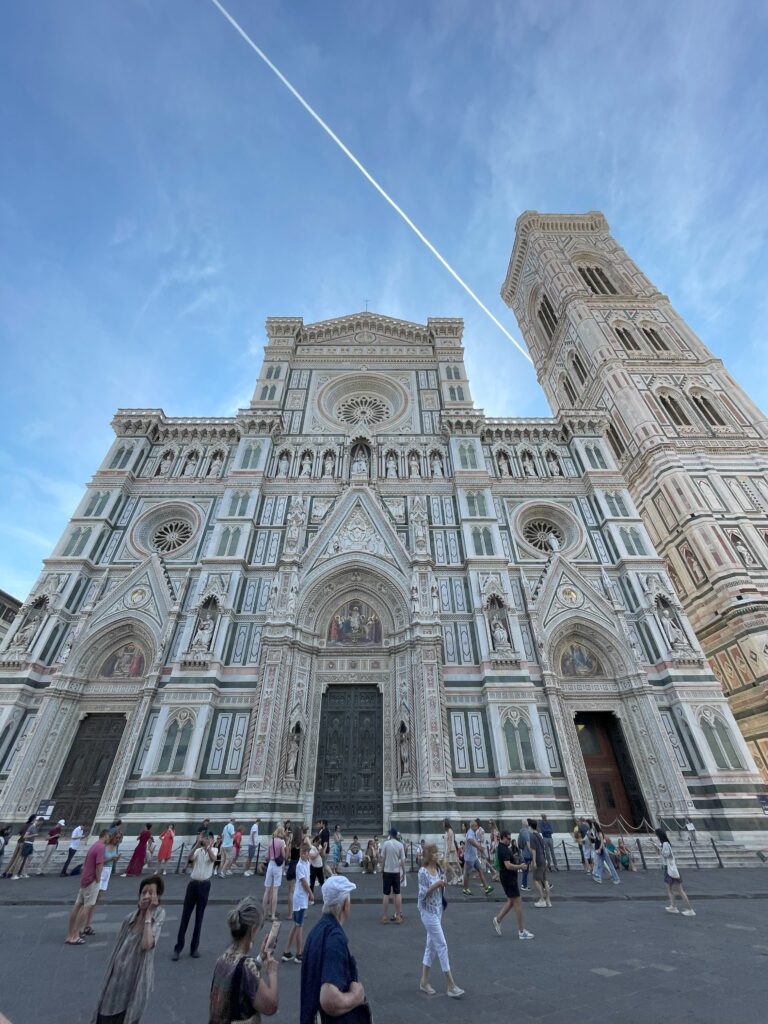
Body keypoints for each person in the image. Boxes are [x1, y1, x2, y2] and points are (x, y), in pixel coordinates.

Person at [92, 875, 165, 1023]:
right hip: (116, 979)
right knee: (104, 1015)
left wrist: (148, 914)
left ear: (157, 897)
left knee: (128, 1017)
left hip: (136, 982)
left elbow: (147, 944)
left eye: (151, 893)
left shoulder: (158, 916)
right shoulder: (129, 918)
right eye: (143, 892)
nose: (146, 896)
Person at [300, 875, 368, 1024]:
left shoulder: (315, 931)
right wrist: (356, 997)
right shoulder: (335, 938)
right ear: (345, 904)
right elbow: (329, 999)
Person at [210, 896, 279, 1023]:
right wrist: (272, 973)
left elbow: (239, 978)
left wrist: (260, 957)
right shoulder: (247, 966)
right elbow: (270, 1007)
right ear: (252, 931)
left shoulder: (222, 959)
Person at [417, 843, 464, 998]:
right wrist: (436, 885)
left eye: (437, 852)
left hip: (438, 910)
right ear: (428, 855)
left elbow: (440, 889)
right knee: (442, 945)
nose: (437, 855)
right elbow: (423, 895)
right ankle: (450, 984)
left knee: (431, 946)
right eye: (434, 853)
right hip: (428, 912)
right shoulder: (422, 872)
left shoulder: (438, 869)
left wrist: (442, 883)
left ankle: (424, 981)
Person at [173, 831, 216, 960]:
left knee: (199, 918)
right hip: (193, 885)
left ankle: (194, 948)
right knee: (185, 917)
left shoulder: (214, 849)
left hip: (205, 886)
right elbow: (189, 858)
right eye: (206, 839)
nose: (207, 841)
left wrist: (208, 847)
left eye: (209, 839)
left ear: (212, 841)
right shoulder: (197, 851)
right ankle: (178, 948)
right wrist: (197, 844)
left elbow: (213, 859)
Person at [65, 829, 108, 944]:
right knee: (86, 907)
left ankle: (70, 935)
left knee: (77, 906)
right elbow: (99, 865)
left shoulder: (94, 845)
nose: (109, 839)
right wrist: (98, 879)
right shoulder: (101, 847)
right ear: (106, 836)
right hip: (92, 880)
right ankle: (75, 935)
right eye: (109, 837)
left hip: (85, 879)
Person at [492, 831, 534, 940]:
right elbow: (508, 865)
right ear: (502, 838)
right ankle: (521, 931)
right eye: (508, 839)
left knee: (511, 901)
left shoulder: (501, 848)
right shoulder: (504, 849)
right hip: (509, 878)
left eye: (510, 839)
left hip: (507, 878)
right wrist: (520, 866)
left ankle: (498, 919)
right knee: (518, 904)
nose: (509, 841)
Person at [282, 840, 314, 963]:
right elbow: (304, 882)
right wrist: (311, 893)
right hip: (300, 898)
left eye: (305, 853)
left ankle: (287, 951)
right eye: (302, 853)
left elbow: (309, 847)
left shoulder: (307, 862)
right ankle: (299, 953)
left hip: (302, 898)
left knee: (296, 925)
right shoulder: (300, 865)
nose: (303, 855)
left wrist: (306, 842)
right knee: (299, 926)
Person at [651, 828, 696, 916]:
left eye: (656, 835)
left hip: (671, 869)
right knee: (669, 889)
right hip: (667, 868)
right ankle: (673, 906)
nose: (656, 837)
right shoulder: (663, 844)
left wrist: (659, 847)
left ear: (659, 835)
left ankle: (690, 909)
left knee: (680, 890)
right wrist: (655, 846)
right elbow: (660, 854)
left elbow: (666, 855)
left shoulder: (666, 844)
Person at [379, 826, 406, 924]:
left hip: (387, 871)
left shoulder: (386, 844)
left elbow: (382, 858)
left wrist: (381, 870)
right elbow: (402, 860)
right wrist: (404, 871)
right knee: (397, 893)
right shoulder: (400, 845)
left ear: (390, 835)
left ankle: (385, 916)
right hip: (396, 872)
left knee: (386, 894)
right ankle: (398, 916)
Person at [462, 818, 493, 896]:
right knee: (467, 874)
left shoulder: (472, 832)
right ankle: (465, 889)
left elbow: (468, 842)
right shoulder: (470, 832)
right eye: (476, 826)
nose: (477, 827)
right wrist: (478, 847)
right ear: (473, 826)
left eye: (477, 826)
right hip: (469, 858)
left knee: (480, 870)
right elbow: (469, 840)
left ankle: (486, 887)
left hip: (474, 857)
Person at [527, 819, 552, 908]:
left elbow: (534, 851)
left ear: (530, 826)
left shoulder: (532, 836)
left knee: (536, 880)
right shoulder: (539, 835)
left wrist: (534, 862)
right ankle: (548, 900)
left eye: (528, 826)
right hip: (543, 858)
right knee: (545, 880)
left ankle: (542, 899)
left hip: (538, 859)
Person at [263, 828, 286, 922]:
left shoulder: (270, 841)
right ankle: (272, 915)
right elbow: (284, 855)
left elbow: (267, 856)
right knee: (275, 890)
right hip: (278, 866)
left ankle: (264, 913)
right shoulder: (281, 842)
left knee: (267, 889)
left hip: (270, 865)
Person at [98, 830, 123, 899]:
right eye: (116, 837)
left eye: (119, 838)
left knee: (100, 894)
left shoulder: (115, 847)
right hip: (101, 869)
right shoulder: (104, 846)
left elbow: (113, 860)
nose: (117, 839)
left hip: (108, 870)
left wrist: (116, 859)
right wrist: (111, 859)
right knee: (94, 894)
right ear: (112, 837)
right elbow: (99, 861)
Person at [285, 826, 303, 919]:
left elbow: (286, 856)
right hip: (299, 867)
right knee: (299, 891)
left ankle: (289, 914)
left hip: (292, 866)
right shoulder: (302, 845)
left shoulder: (291, 844)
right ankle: (300, 911)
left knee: (290, 892)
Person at [442, 819, 460, 886]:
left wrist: (447, 852)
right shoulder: (449, 831)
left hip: (450, 849)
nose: (442, 825)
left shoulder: (449, 831)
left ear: (445, 823)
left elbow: (449, 842)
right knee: (451, 864)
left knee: (447, 863)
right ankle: (453, 879)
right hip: (449, 848)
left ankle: (455, 876)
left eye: (443, 823)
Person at [518, 818, 532, 891]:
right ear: (524, 823)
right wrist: (532, 854)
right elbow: (528, 843)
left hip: (524, 853)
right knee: (537, 869)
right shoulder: (525, 832)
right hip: (527, 854)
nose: (528, 822)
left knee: (525, 870)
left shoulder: (521, 831)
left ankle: (524, 884)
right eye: (526, 821)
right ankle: (524, 885)